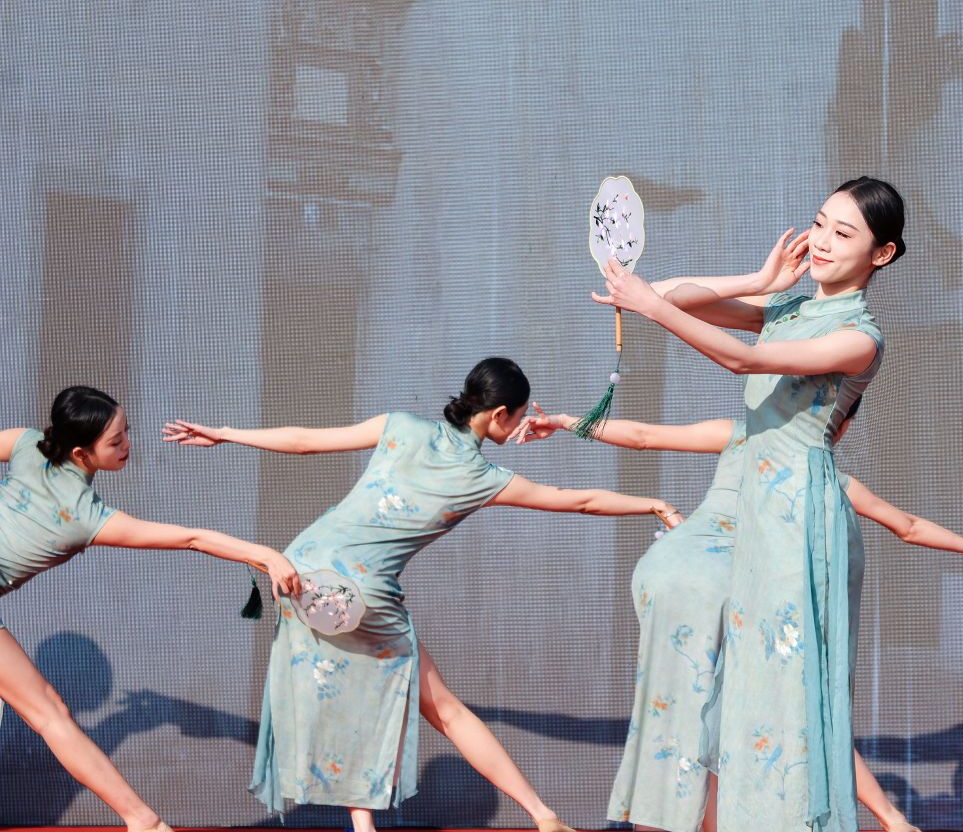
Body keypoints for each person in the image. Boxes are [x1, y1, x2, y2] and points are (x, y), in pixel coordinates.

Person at [162, 357, 682, 832]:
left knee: (353, 688)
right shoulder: (483, 477)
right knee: (446, 711)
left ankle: (364, 825)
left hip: (300, 569)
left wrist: (224, 433)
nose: (522, 423)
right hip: (360, 590)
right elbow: (580, 501)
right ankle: (544, 817)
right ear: (499, 414)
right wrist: (653, 503)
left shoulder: (402, 425)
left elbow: (305, 441)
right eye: (520, 415)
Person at [518, 401, 963, 832]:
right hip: (727, 588)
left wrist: (564, 421)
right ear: (841, 427)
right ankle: (891, 819)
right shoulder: (830, 481)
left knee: (681, 714)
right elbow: (908, 526)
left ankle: (664, 821)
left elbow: (643, 436)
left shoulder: (739, 435)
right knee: (798, 708)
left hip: (665, 570)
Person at [590, 177, 905, 831]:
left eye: (843, 233)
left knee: (785, 689)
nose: (822, 241)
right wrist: (758, 279)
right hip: (754, 512)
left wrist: (651, 305)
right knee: (740, 687)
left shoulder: (861, 337)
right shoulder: (785, 310)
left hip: (802, 518)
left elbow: (739, 361)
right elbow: (667, 295)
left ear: (882, 254)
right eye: (819, 223)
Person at [1, 385, 300, 832]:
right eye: (115, 441)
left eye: (126, 431)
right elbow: (191, 538)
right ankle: (144, 822)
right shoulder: (85, 516)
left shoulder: (26, 444)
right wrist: (265, 555)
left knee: (50, 711)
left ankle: (144, 821)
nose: (127, 445)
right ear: (81, 453)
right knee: (49, 713)